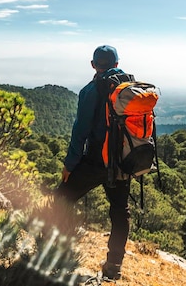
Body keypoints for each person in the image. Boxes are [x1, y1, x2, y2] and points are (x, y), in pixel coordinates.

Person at [55, 44, 130, 281]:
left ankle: (53, 253)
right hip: (122, 163)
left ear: (93, 65)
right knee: (120, 212)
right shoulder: (129, 88)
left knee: (60, 199)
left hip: (96, 161)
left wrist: (70, 165)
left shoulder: (90, 90)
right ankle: (113, 267)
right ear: (117, 64)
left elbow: (80, 132)